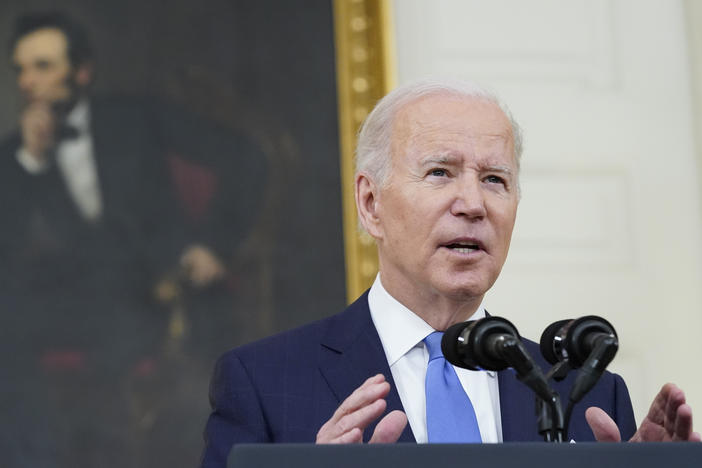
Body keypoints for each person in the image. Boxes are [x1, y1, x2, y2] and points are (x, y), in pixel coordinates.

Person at [199, 79, 699, 467]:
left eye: (494, 179)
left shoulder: (583, 392)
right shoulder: (262, 383)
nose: (473, 204)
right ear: (371, 203)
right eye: (440, 172)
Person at [0, 10, 265, 467]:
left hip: (159, 288)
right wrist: (32, 161)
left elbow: (245, 159)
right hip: (71, 299)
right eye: (20, 69)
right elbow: (10, 251)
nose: (28, 82)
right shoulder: (16, 154)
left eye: (43, 66)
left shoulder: (137, 118)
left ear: (81, 72)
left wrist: (214, 244)